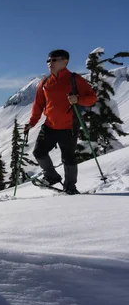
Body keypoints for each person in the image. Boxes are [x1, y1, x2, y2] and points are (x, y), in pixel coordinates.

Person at [24, 49, 97, 195]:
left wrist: (78, 99)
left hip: (68, 126)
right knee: (39, 152)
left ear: (65, 61)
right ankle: (52, 176)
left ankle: (70, 186)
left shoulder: (74, 79)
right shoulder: (45, 83)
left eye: (54, 60)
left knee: (68, 158)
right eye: (48, 60)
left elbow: (92, 98)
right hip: (50, 125)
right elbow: (38, 105)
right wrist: (32, 122)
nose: (50, 63)